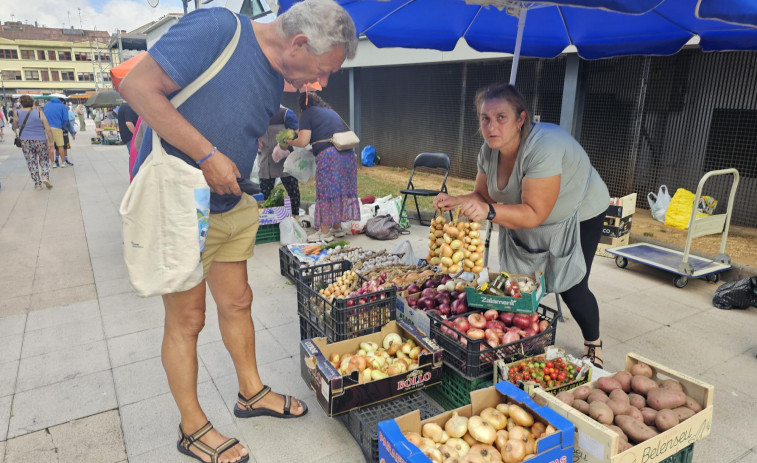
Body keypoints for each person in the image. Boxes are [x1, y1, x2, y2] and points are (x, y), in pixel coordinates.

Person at [119, 2, 356, 462]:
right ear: (300, 43)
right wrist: (207, 155)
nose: (322, 83)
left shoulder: (273, 76)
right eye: (324, 71)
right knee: (188, 320)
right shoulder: (216, 27)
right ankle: (192, 428)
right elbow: (137, 88)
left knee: (238, 301)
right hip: (182, 201)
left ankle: (251, 393)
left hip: (230, 200)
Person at [433, 84, 610, 368]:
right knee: (519, 285)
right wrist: (458, 200)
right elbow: (483, 196)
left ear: (521, 119)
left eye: (501, 117)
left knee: (572, 285)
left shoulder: (544, 147)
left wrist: (489, 211)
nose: (491, 126)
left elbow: (535, 213)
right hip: (529, 211)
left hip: (579, 210)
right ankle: (526, 333)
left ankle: (594, 345)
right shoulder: (488, 151)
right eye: (485, 118)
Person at [287, 92, 359, 242]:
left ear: (302, 106)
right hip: (348, 155)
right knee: (339, 191)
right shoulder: (330, 112)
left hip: (330, 156)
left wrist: (289, 141)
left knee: (325, 192)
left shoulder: (307, 113)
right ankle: (337, 228)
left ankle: (325, 232)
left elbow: (303, 141)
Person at [258, 106, 300, 217]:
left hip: (285, 160)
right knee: (265, 194)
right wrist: (255, 139)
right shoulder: (256, 113)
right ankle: (267, 219)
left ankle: (295, 218)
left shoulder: (286, 114)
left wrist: (284, 145)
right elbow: (249, 130)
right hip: (265, 159)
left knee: (292, 191)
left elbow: (296, 132)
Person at [12, 95, 55, 190]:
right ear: (32, 103)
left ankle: (37, 184)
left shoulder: (17, 113)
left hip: (25, 140)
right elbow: (48, 129)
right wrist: (51, 142)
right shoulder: (40, 113)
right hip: (40, 140)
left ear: (21, 103)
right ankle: (45, 176)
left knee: (31, 162)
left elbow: (15, 126)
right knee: (44, 159)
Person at [42, 97, 70, 168]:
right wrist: (62, 125)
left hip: (47, 128)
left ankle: (53, 163)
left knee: (50, 145)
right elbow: (65, 119)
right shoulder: (62, 106)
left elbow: (42, 116)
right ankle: (63, 163)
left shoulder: (47, 105)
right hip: (57, 128)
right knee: (60, 146)